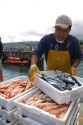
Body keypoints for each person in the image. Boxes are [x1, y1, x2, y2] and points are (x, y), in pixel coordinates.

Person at [28, 15, 82, 80]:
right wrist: (33, 65)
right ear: (55, 28)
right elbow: (36, 54)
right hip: (49, 75)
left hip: (67, 76)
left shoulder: (74, 41)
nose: (61, 33)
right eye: (58, 29)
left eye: (64, 31)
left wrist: (73, 67)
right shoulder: (46, 40)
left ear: (69, 30)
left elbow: (78, 58)